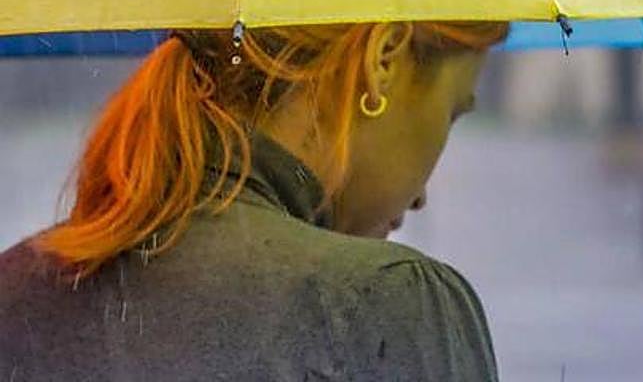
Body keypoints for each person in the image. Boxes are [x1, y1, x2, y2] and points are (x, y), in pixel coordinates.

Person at [0, 20, 509, 380]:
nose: (421, 196)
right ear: (383, 58)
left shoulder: (14, 291)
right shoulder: (387, 306)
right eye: (450, 113)